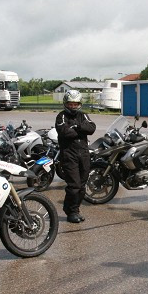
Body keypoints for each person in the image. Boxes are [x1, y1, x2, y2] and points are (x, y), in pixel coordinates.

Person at [55, 89, 96, 223]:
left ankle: (76, 210)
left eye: (75, 104)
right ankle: (71, 212)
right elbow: (64, 132)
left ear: (79, 104)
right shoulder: (61, 116)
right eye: (70, 104)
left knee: (82, 186)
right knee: (74, 186)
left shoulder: (83, 115)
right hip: (68, 154)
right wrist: (80, 130)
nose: (73, 106)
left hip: (83, 153)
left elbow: (91, 128)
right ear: (65, 103)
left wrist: (76, 126)